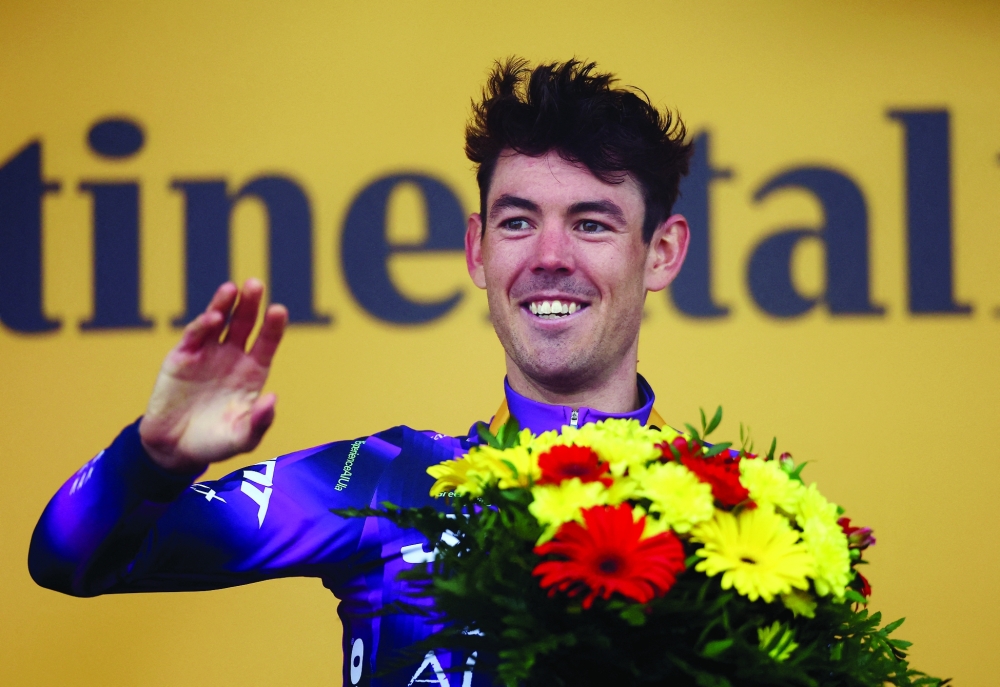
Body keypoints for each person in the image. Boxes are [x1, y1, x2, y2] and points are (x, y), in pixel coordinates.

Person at [28, 58, 692, 687]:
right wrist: (148, 460)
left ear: (661, 252)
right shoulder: (384, 480)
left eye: (591, 224)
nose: (549, 256)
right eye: (517, 221)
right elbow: (72, 557)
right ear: (477, 249)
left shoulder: (734, 515)